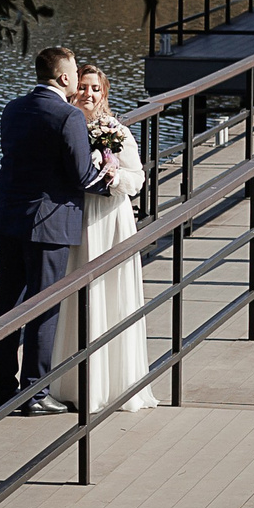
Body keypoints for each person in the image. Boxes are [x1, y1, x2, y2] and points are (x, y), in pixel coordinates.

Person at [0, 46, 112, 414]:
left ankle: (3, 391)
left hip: (8, 218)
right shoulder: (67, 116)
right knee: (44, 307)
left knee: (7, 306)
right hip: (48, 224)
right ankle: (34, 394)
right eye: (73, 73)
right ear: (64, 78)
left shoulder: (13, 108)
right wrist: (109, 178)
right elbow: (81, 174)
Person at [52, 65, 157, 414]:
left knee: (111, 293)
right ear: (72, 90)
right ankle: (73, 383)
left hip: (111, 219)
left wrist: (112, 176)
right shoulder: (66, 127)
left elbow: (137, 180)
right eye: (82, 87)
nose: (88, 94)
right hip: (79, 222)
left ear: (104, 93)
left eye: (95, 88)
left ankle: (115, 383)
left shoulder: (117, 132)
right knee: (77, 295)